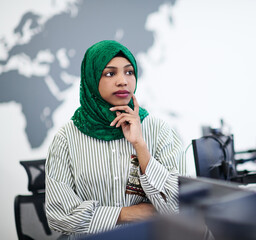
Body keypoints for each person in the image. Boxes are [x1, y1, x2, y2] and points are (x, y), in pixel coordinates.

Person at [45, 40, 185, 237]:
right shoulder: (66, 138)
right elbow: (59, 216)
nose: (123, 81)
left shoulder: (159, 130)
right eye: (110, 73)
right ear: (92, 78)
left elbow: (178, 206)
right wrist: (124, 214)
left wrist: (140, 146)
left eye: (129, 72)